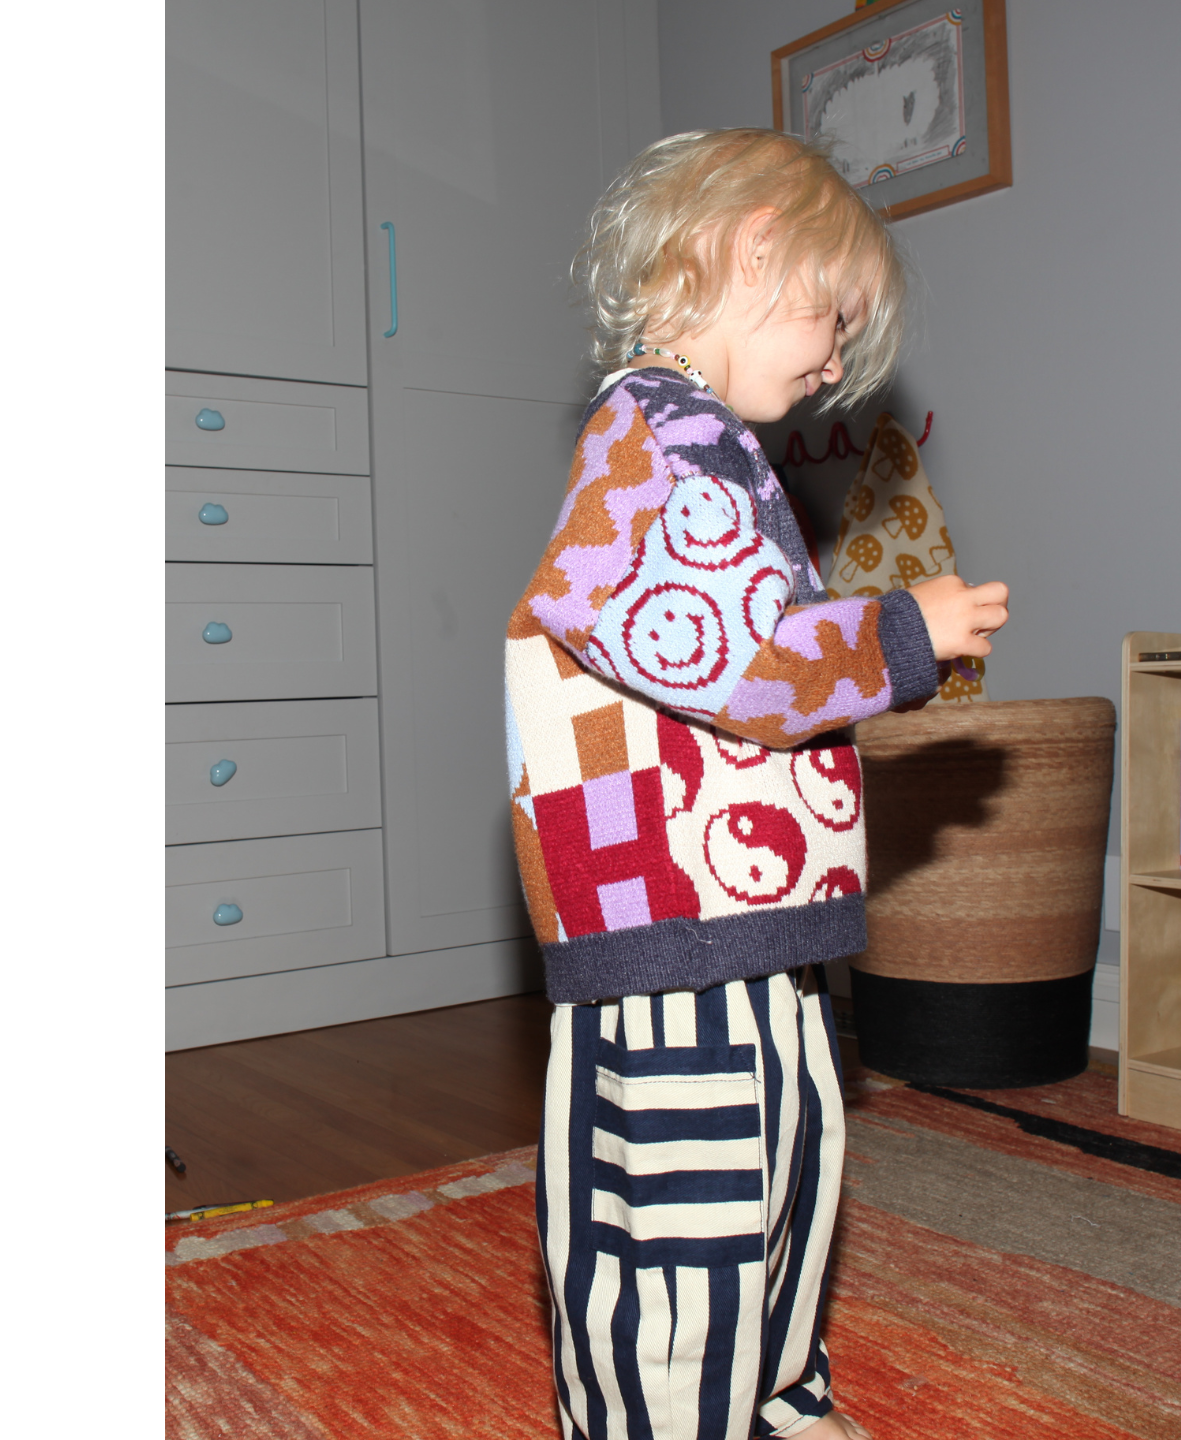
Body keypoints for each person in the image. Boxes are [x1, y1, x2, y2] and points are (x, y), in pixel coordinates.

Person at [504, 128, 1009, 1440]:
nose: (836, 362)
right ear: (755, 248)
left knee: (787, 1168)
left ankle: (770, 1394)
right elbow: (735, 661)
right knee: (682, 1213)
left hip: (736, 912)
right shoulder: (654, 446)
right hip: (667, 924)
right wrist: (904, 633)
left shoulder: (712, 452)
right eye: (832, 321)